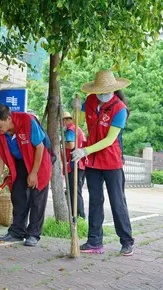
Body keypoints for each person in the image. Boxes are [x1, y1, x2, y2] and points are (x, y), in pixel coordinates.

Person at [71, 70, 134, 256]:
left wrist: (84, 150)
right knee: (95, 201)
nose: (102, 95)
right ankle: (94, 242)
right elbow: (77, 122)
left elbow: (109, 140)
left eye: (105, 91)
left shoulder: (120, 109)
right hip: (92, 162)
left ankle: (127, 241)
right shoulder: (90, 101)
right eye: (99, 91)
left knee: (117, 202)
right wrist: (76, 109)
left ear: (113, 89)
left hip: (111, 161)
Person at [0, 104, 52, 247]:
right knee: (18, 196)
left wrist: (34, 173)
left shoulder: (28, 121)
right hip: (20, 162)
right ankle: (16, 232)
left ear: (9, 119)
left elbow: (40, 147)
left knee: (37, 198)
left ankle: (33, 234)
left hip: (39, 161)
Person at [62, 111, 86, 219]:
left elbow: (71, 145)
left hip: (74, 163)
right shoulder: (78, 129)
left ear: (67, 120)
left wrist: (61, 143)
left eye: (63, 120)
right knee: (77, 191)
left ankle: (78, 216)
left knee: (74, 191)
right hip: (81, 163)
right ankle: (78, 216)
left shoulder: (71, 130)